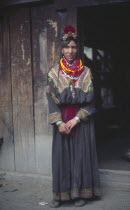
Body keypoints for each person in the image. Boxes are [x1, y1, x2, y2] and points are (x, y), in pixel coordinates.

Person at [46, 25, 101, 208]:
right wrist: (60, 122)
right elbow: (51, 99)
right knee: (61, 157)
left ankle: (80, 193)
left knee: (81, 156)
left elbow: (92, 102)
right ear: (62, 49)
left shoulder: (86, 72)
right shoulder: (54, 73)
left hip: (81, 121)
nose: (70, 51)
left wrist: (76, 119)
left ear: (78, 49)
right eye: (67, 47)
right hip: (62, 121)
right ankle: (60, 195)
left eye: (74, 47)